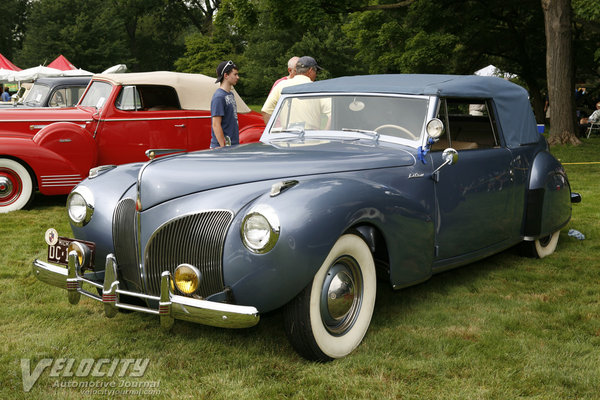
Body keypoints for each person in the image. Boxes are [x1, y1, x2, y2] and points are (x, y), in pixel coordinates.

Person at [261, 56, 322, 124]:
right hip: (311, 132)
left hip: (286, 132)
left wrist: (275, 131)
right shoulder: (318, 88)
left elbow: (266, 111)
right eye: (315, 71)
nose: (316, 75)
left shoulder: (281, 85)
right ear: (310, 70)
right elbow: (332, 114)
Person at [210, 60, 240, 149]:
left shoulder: (230, 94)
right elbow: (216, 124)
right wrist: (223, 147)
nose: (237, 77)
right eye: (235, 74)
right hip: (222, 148)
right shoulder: (219, 97)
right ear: (226, 75)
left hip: (232, 145)